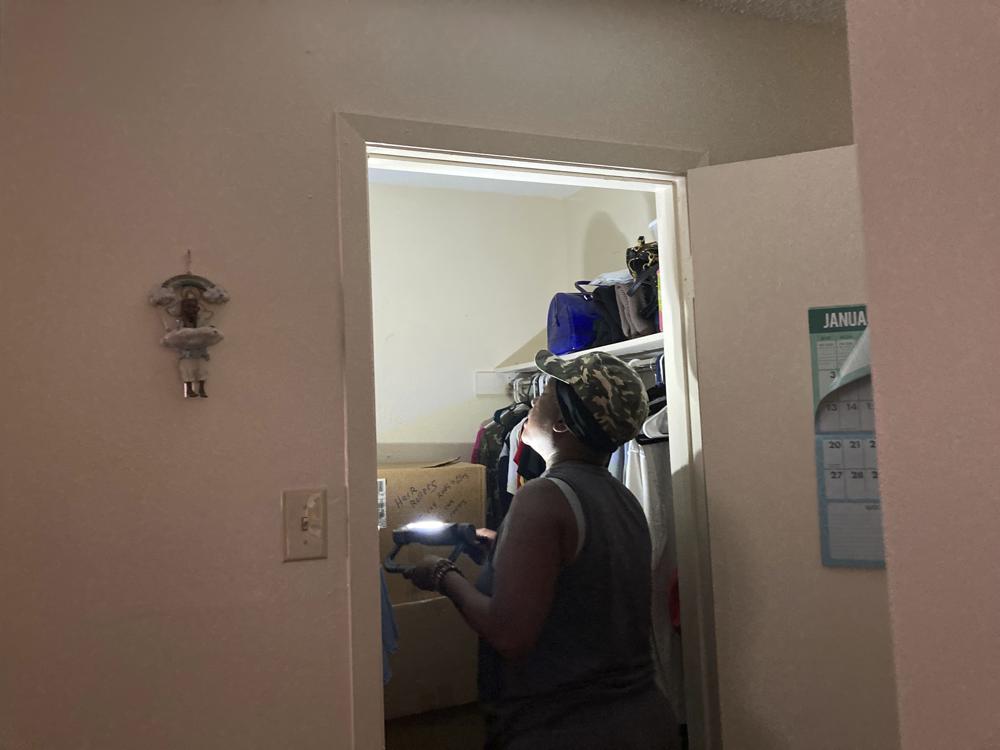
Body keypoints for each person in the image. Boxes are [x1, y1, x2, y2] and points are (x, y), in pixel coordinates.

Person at [406, 350, 679, 750]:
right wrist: (504, 552)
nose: (536, 397)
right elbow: (582, 582)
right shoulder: (621, 498)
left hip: (567, 731)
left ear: (564, 423)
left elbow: (509, 633)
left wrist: (443, 576)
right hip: (641, 722)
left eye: (549, 390)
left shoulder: (543, 496)